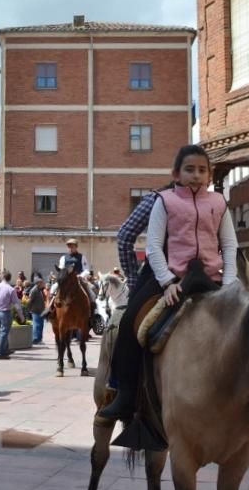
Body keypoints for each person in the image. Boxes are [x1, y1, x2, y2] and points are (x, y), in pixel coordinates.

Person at [99, 145, 237, 420]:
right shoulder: (162, 200)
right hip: (170, 274)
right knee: (128, 323)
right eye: (189, 170)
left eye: (202, 170)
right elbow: (150, 246)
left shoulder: (219, 203)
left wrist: (231, 282)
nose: (196, 175)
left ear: (210, 175)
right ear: (176, 174)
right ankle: (124, 393)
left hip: (212, 275)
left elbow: (229, 244)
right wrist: (164, 281)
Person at [0, 270, 25, 359]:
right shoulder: (10, 289)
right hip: (5, 312)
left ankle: (4, 350)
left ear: (2, 277)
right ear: (10, 278)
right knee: (4, 333)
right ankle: (1, 353)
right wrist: (21, 316)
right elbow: (16, 304)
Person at [26, 277, 47, 344]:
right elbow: (30, 301)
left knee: (41, 325)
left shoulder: (39, 290)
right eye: (42, 283)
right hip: (35, 311)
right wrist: (28, 309)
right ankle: (35, 339)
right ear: (38, 283)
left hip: (41, 311)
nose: (43, 284)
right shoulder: (34, 290)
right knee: (37, 325)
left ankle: (39, 339)